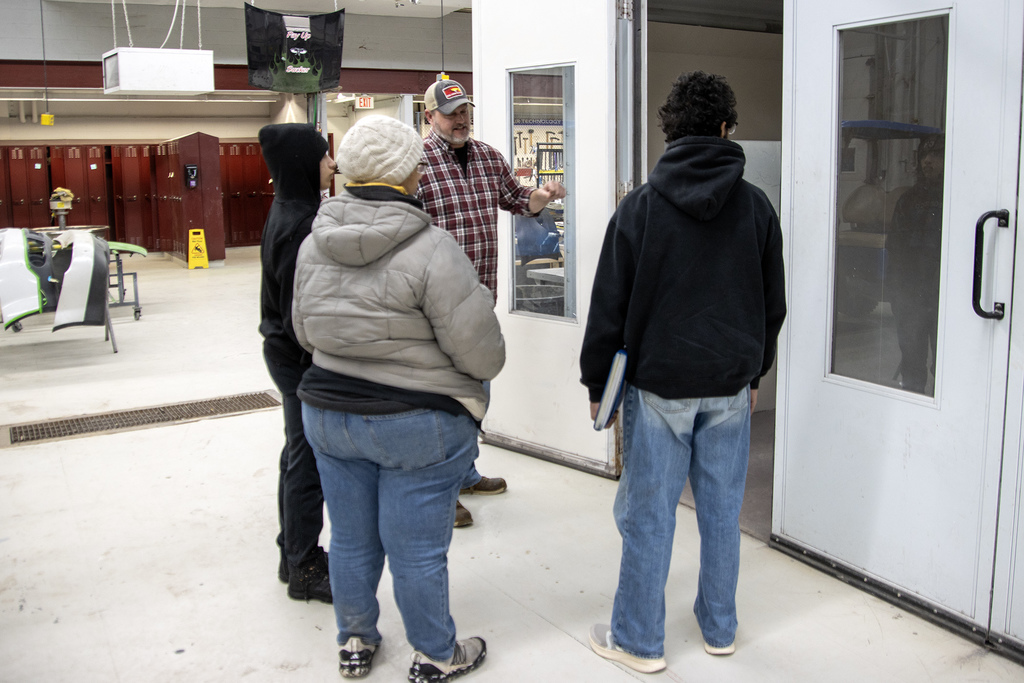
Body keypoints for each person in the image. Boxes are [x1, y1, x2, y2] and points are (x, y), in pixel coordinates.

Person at [579, 71, 786, 672]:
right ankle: (720, 627)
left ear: (670, 131)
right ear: (726, 128)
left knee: (649, 514)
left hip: (659, 386)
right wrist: (754, 373)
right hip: (728, 384)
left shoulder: (641, 207)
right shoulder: (754, 207)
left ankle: (639, 641)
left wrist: (599, 387)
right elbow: (772, 303)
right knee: (722, 512)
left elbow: (608, 306)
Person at [292, 115, 504, 681]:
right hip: (416, 427)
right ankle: (435, 652)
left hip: (329, 416)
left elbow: (305, 333)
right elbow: (484, 356)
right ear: (409, 176)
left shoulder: (313, 244)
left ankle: (356, 642)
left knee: (352, 538)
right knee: (416, 548)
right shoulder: (434, 248)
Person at [418, 78, 566, 527]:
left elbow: (517, 199)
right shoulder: (416, 163)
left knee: (476, 393)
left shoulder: (488, 157)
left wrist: (539, 198)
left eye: (465, 111)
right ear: (430, 118)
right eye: (450, 113)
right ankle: (439, 491)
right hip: (432, 306)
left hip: (480, 301)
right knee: (439, 401)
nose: (461, 119)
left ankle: (464, 473)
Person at [257, 122, 335, 604]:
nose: (332, 164)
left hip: (283, 353)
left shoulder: (291, 208)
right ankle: (304, 567)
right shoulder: (301, 223)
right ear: (305, 163)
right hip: (297, 359)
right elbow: (298, 315)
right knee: (307, 463)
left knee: (295, 455)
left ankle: (292, 551)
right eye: (325, 156)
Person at [886, 135, 944, 395]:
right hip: (912, 292)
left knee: (946, 363)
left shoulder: (956, 199)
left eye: (937, 155)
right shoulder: (909, 199)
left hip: (942, 293)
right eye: (924, 156)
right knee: (912, 360)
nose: (928, 162)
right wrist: (898, 294)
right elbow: (895, 247)